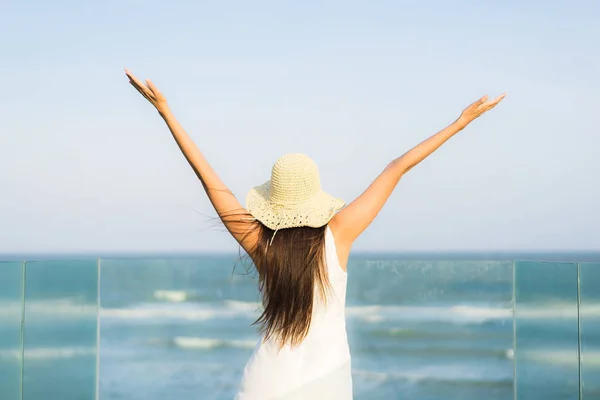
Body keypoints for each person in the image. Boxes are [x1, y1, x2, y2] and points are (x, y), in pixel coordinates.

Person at [125, 69, 506, 399]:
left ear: (272, 202)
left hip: (266, 381)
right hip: (327, 383)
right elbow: (397, 168)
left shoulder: (262, 244)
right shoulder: (338, 234)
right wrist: (460, 123)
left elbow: (212, 184)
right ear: (314, 198)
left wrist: (166, 113)